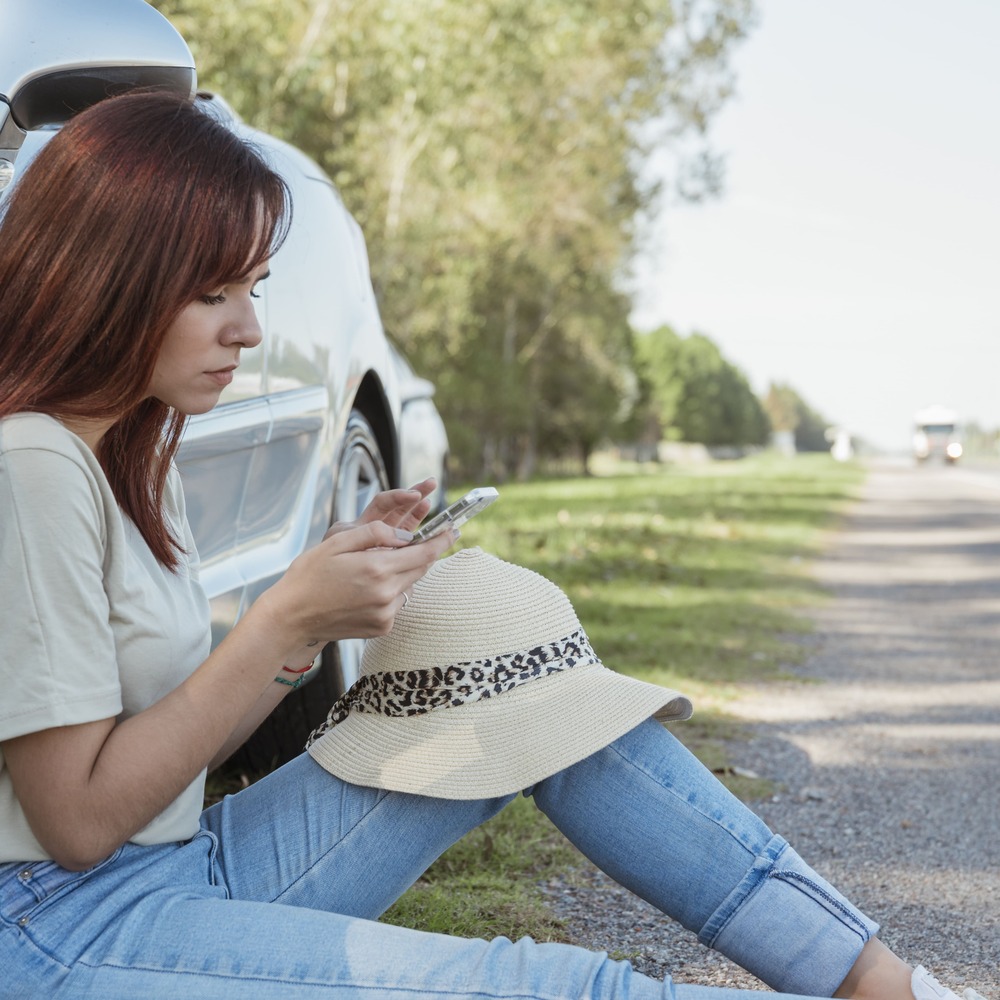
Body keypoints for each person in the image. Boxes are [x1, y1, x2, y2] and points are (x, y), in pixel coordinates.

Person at [0, 91, 983, 1000]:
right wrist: (280, 623)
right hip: (60, 929)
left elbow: (166, 748)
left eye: (253, 287)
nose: (251, 329)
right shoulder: (30, 467)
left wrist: (317, 611)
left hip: (180, 864)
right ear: (111, 275)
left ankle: (878, 984)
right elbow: (78, 825)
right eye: (214, 293)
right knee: (549, 986)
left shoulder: (129, 448)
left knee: (497, 638)